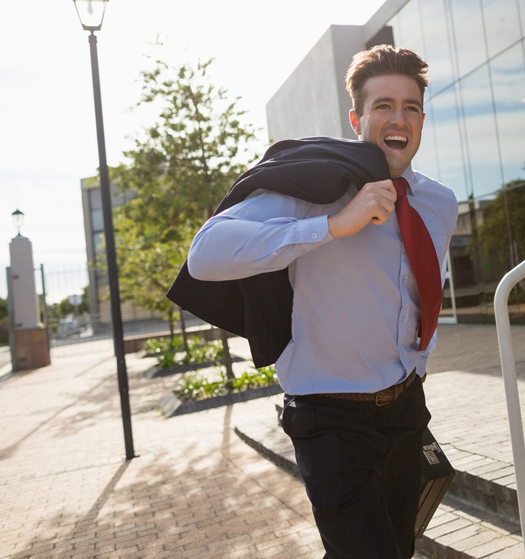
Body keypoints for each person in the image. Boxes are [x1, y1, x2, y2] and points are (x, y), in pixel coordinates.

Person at [185, 45, 457, 558]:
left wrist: (418, 365)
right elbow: (205, 255)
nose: (398, 118)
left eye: (411, 107)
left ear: (421, 118)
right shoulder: (314, 187)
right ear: (356, 118)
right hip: (329, 420)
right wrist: (333, 225)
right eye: (383, 106)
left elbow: (423, 292)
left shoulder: (440, 203)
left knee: (399, 548)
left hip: (404, 409)